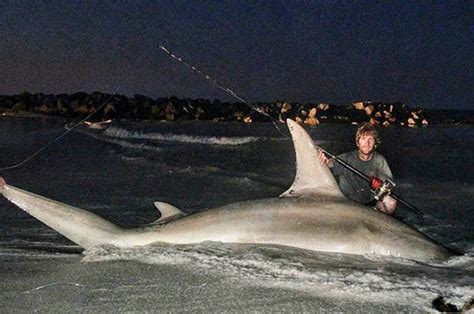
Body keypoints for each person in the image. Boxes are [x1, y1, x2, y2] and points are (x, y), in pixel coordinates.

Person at [319, 123, 397, 214]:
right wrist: (323, 161)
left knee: (391, 202)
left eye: (370, 139)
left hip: (370, 202)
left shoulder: (379, 160)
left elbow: (389, 185)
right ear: (358, 142)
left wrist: (380, 185)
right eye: (363, 139)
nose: (367, 143)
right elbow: (329, 164)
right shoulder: (346, 158)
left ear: (375, 143)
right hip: (348, 202)